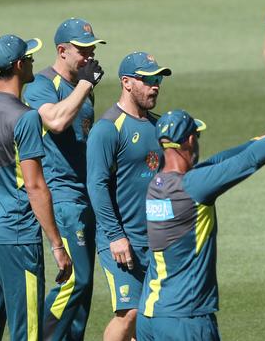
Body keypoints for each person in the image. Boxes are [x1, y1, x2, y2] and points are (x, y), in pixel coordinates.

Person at [136, 100, 265, 341]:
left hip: (150, 315)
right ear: (189, 141)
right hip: (186, 319)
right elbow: (247, 161)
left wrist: (262, 140)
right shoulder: (194, 186)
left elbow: (221, 160)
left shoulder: (157, 185)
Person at [0, 34, 72, 340]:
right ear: (17, 65)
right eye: (28, 58)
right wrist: (56, 243)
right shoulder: (25, 118)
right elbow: (35, 186)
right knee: (28, 332)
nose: (32, 62)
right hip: (16, 236)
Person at [23, 17, 105, 340]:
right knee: (76, 280)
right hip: (62, 196)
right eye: (83, 51)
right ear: (62, 51)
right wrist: (86, 85)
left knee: (84, 294)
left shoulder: (81, 88)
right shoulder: (42, 84)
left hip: (85, 195)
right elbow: (54, 122)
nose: (89, 57)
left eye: (92, 50)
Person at [86, 52, 171, 340]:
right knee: (129, 313)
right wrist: (114, 235)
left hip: (156, 240)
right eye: (147, 80)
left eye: (157, 79)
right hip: (121, 240)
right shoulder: (108, 129)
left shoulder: (159, 126)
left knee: (152, 314)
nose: (155, 86)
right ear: (127, 83)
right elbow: (96, 186)